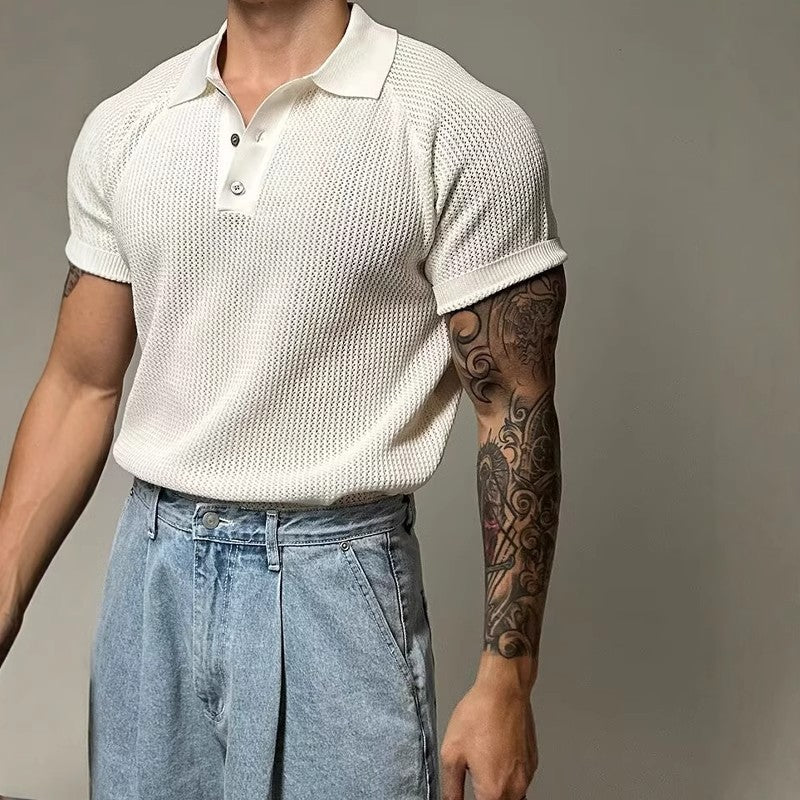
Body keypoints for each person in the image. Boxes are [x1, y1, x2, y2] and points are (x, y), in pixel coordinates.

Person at [0, 1, 568, 798]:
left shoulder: (460, 126)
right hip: (152, 578)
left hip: (335, 584)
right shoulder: (130, 124)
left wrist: (507, 679)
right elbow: (79, 384)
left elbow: (513, 407)